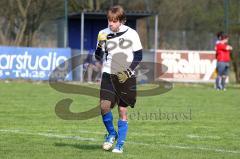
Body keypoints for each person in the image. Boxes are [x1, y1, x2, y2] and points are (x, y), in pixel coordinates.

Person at [95, 5, 142, 153]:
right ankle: (111, 134)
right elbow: (98, 57)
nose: (111, 23)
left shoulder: (132, 33)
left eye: (114, 21)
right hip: (108, 74)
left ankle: (119, 144)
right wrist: (100, 45)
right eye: (109, 20)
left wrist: (129, 71)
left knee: (122, 110)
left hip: (125, 76)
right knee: (104, 107)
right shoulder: (102, 33)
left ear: (121, 20)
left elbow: (139, 55)